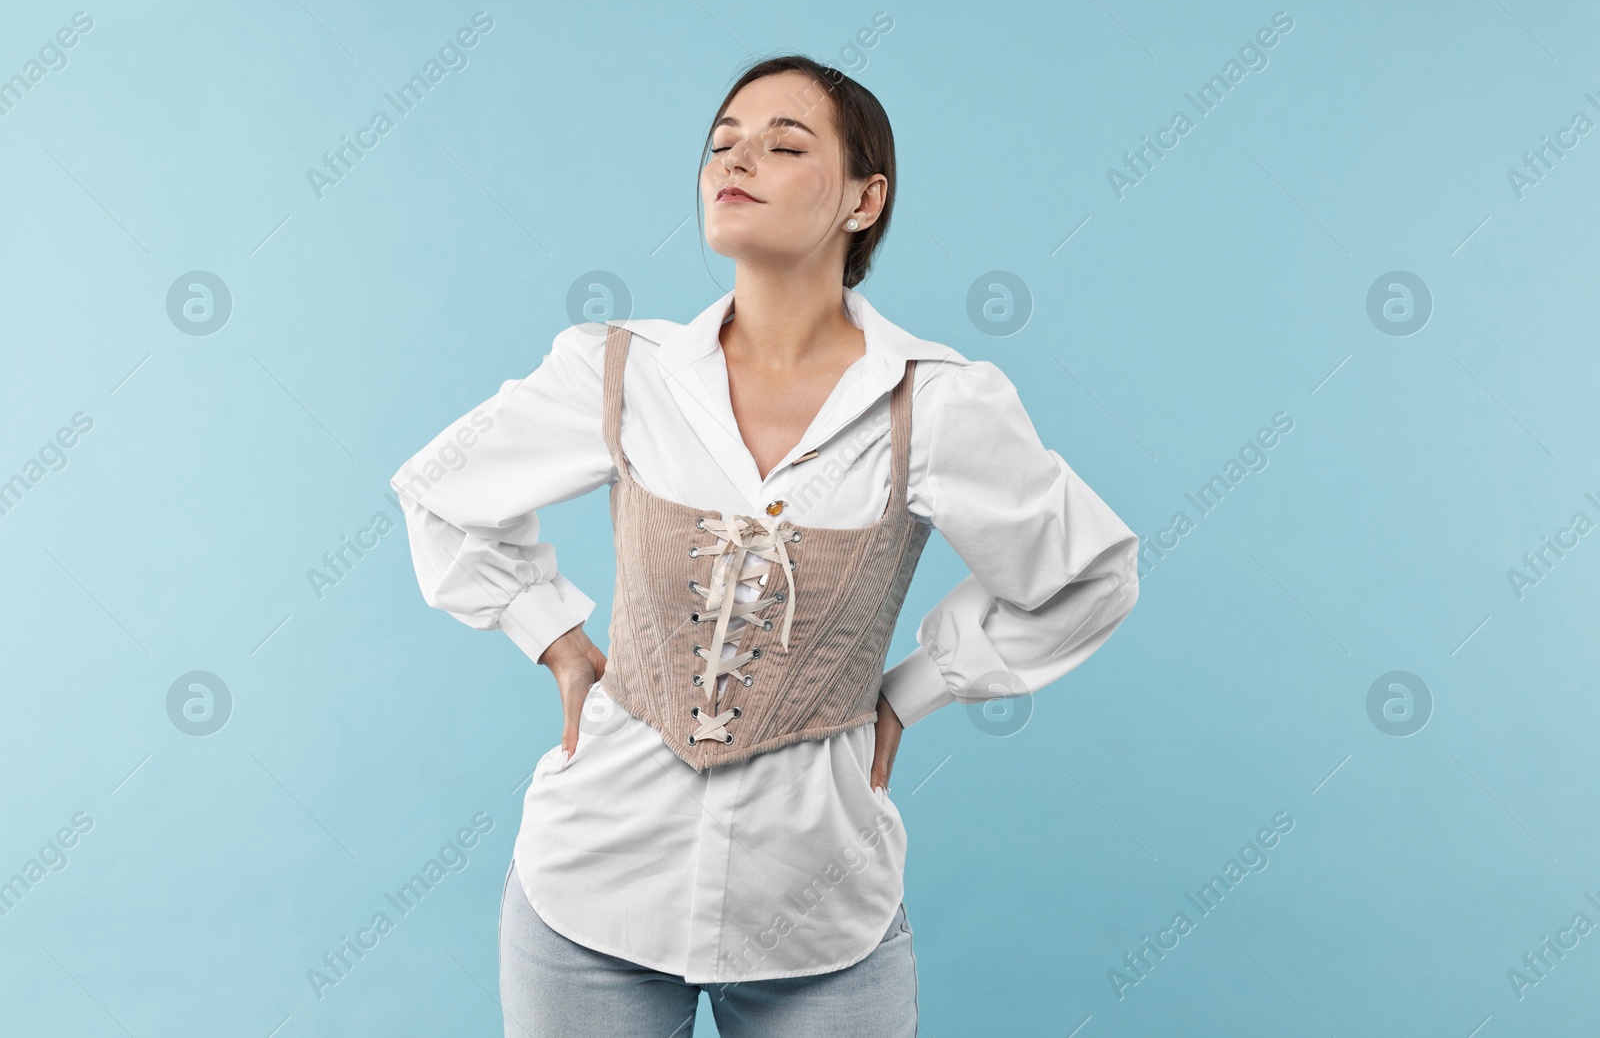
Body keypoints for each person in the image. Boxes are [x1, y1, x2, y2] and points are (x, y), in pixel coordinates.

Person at [389, 54, 1140, 1038]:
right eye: (722, 143)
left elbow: (1088, 575)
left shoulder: (937, 401)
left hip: (824, 913)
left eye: (784, 144)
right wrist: (554, 633)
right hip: (589, 890)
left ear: (864, 199)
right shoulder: (621, 371)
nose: (736, 159)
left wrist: (913, 688)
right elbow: (443, 491)